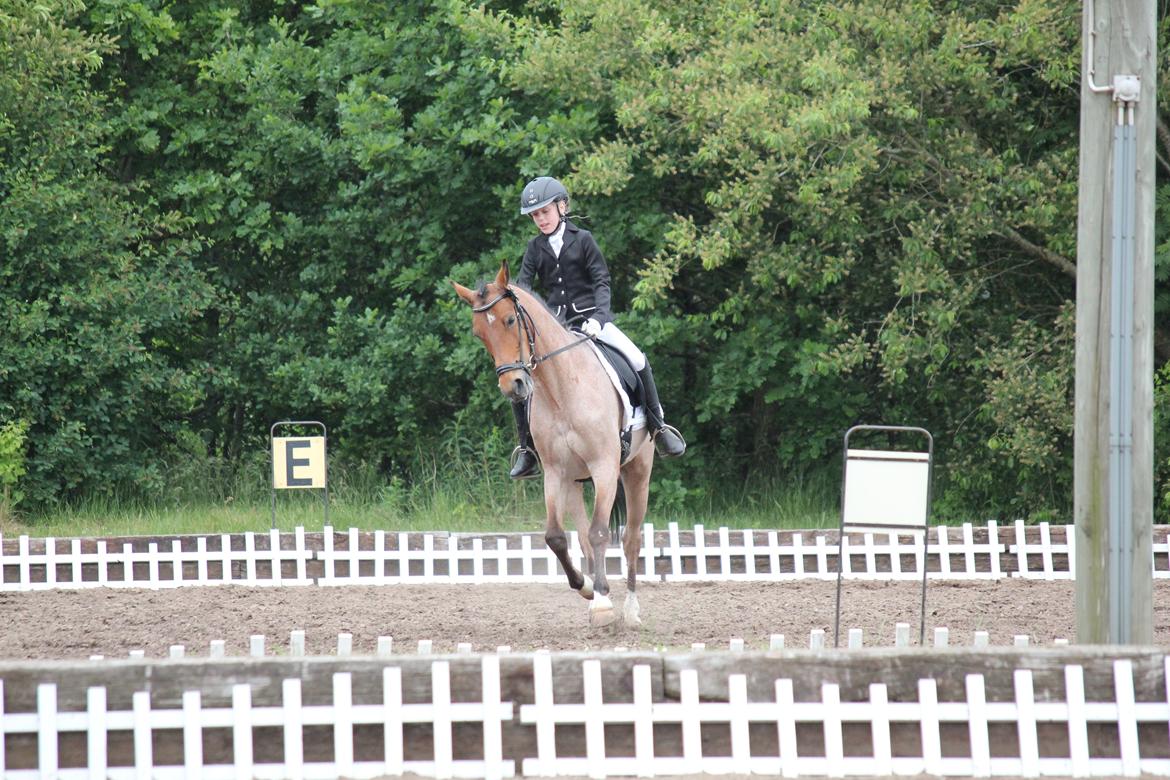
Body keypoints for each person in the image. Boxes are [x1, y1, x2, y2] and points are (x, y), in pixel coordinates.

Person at [507, 175, 686, 479]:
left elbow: (601, 281)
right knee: (522, 377)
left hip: (592, 320)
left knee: (638, 359)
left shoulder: (583, 239)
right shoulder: (534, 248)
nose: (540, 219)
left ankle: (658, 426)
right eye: (535, 215)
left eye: (545, 212)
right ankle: (527, 449)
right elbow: (523, 289)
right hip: (557, 330)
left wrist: (599, 318)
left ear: (561, 207)